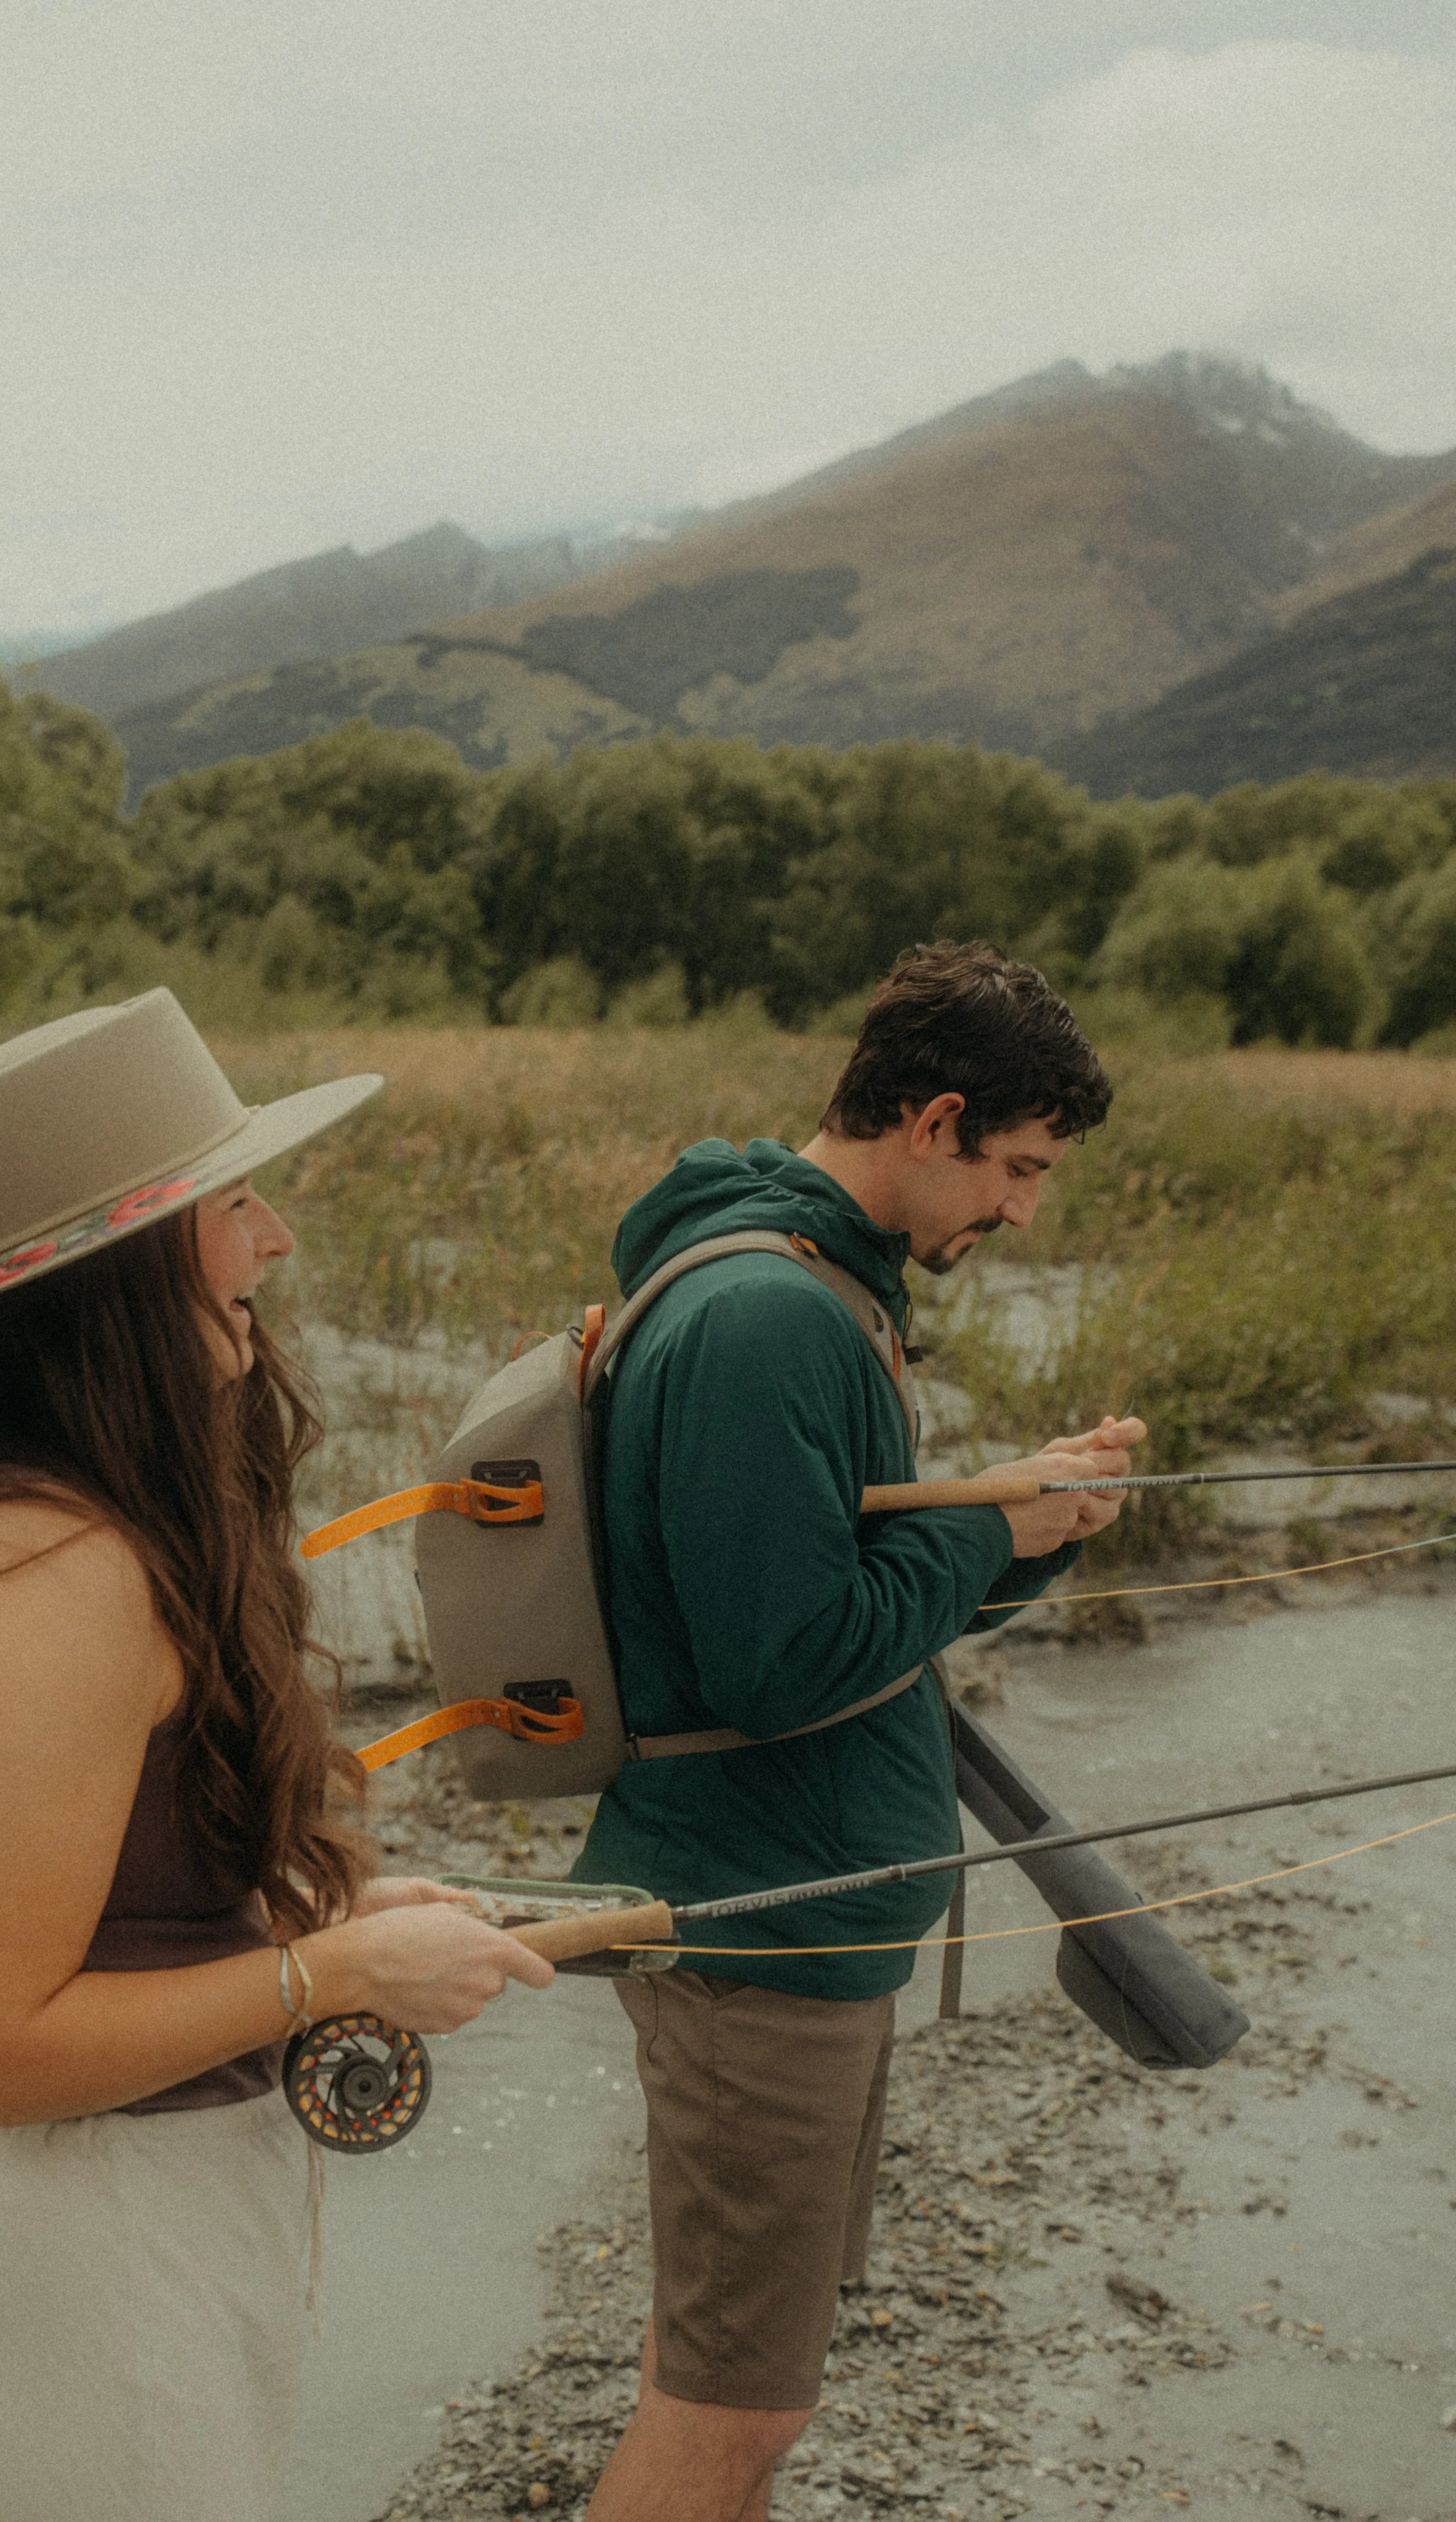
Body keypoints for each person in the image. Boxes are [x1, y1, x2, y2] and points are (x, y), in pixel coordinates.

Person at [0, 988, 553, 2522]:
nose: (275, 1240)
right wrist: (332, 1975)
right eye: (234, 1204)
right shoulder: (54, 1579)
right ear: (126, 1265)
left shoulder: (60, 1526)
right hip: (79, 2317)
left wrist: (311, 1918)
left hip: (103, 2281)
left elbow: (103, 1921)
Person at [574, 941, 1147, 2522]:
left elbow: (842, 1606)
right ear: (932, 1119)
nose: (1020, 1211)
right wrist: (984, 1527)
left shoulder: (814, 1286)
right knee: (729, 2416)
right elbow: (780, 1662)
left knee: (730, 2394)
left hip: (799, 1915)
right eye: (1016, 1167)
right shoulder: (766, 1315)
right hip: (756, 1927)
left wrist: (1025, 1529)